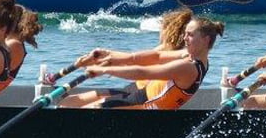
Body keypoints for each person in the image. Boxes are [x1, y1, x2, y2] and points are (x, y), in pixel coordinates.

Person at [58, 15, 223, 109]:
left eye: (191, 35)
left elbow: (143, 72)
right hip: (142, 94)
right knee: (70, 101)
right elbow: (152, 58)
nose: (185, 38)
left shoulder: (188, 67)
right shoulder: (187, 55)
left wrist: (107, 70)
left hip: (146, 107)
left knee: (91, 108)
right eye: (185, 33)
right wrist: (108, 55)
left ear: (206, 40)